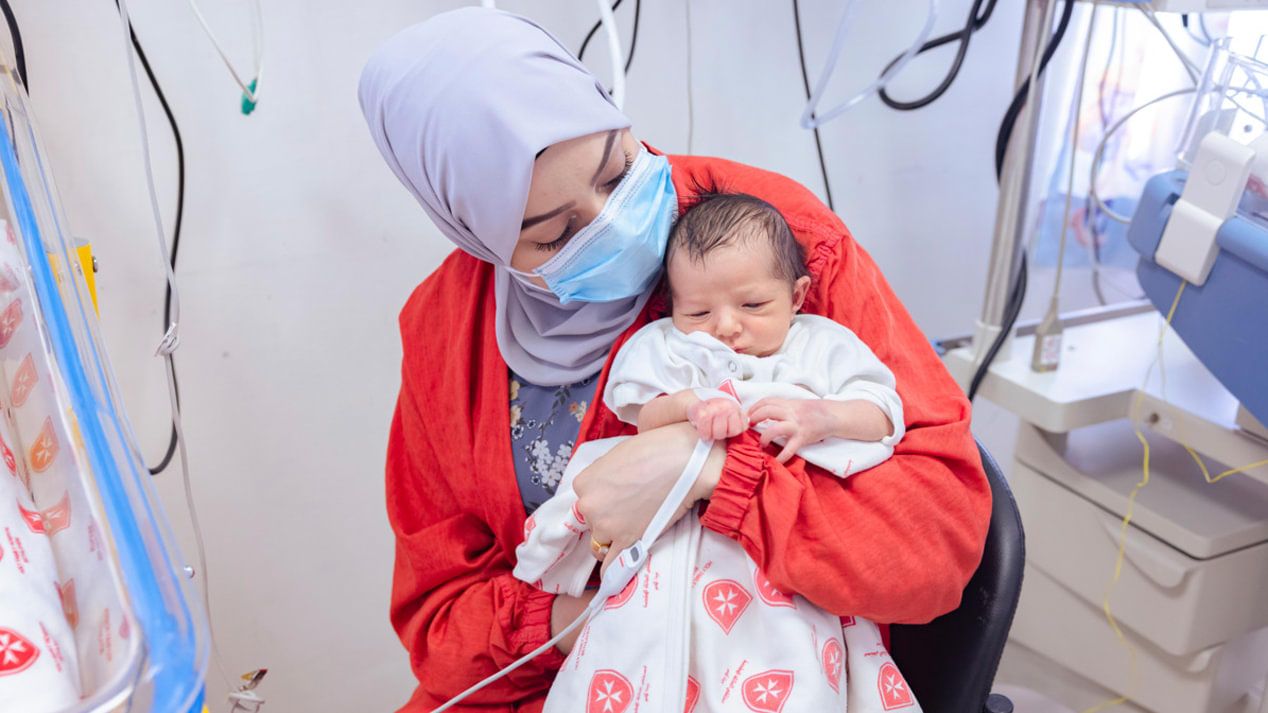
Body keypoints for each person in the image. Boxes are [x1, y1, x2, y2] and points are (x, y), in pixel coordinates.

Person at [357, 8, 991, 712]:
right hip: (564, 676)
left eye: (617, 169)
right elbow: (439, 623)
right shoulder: (448, 327)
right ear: (477, 237)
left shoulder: (766, 243)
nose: (611, 221)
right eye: (553, 233)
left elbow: (936, 541)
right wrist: (583, 623)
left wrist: (707, 471)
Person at [511, 192, 917, 712]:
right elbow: (641, 411)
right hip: (670, 551)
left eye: (753, 305)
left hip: (774, 551)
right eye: (698, 310)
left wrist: (824, 416)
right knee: (640, 659)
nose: (725, 328)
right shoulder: (668, 346)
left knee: (787, 664)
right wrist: (688, 407)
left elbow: (884, 411)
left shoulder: (821, 346)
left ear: (796, 296)